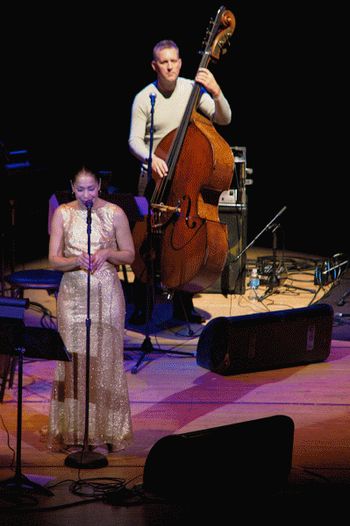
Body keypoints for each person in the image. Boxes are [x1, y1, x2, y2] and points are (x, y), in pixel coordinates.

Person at [128, 39, 232, 325]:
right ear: (154, 65)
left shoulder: (191, 90)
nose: (170, 66)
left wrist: (216, 91)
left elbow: (225, 118)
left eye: (174, 60)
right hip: (153, 177)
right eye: (164, 61)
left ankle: (183, 304)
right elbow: (133, 140)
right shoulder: (143, 97)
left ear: (181, 62)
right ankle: (143, 303)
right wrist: (151, 160)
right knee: (148, 241)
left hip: (186, 177)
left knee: (183, 241)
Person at [47, 165, 135, 453]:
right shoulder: (62, 213)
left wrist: (108, 253)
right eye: (80, 189)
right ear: (72, 187)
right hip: (72, 295)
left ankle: (108, 429)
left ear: (100, 186)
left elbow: (130, 255)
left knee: (105, 360)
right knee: (74, 360)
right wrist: (75, 261)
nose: (87, 194)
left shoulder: (115, 213)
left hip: (106, 295)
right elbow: (53, 259)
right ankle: (73, 430)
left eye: (92, 188)